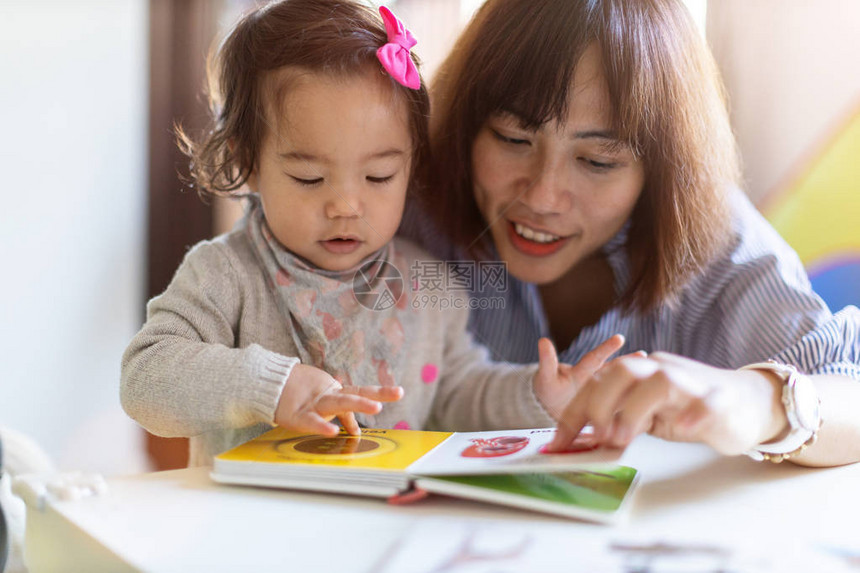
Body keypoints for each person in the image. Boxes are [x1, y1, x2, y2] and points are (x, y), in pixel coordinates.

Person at [121, 0, 621, 467]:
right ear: (248, 163)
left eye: (379, 176)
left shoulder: (429, 285)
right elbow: (146, 378)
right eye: (309, 179)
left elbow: (460, 394)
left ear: (411, 166)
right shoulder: (225, 276)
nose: (345, 205)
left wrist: (538, 395)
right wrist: (273, 386)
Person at [405, 0, 860, 467]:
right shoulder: (407, 202)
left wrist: (758, 401)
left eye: (598, 161)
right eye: (512, 138)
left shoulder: (716, 242)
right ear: (467, 126)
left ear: (661, 169)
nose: (542, 196)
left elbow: (851, 397)